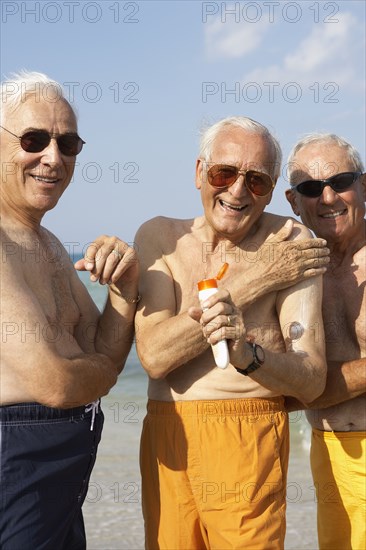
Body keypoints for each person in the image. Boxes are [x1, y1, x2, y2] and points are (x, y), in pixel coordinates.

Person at [134, 116, 329, 549]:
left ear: (274, 187)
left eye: (256, 181)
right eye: (224, 173)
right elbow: (155, 357)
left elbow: (312, 378)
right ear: (199, 172)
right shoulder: (160, 237)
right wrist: (257, 280)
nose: (238, 191)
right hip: (167, 434)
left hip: (247, 434)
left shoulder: (291, 239)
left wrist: (248, 356)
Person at [0, 71, 139, 550]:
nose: (53, 158)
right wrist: (101, 372)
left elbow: (103, 346)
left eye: (69, 143)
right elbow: (54, 383)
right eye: (34, 140)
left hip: (60, 471)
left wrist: (124, 287)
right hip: (15, 462)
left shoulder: (50, 244)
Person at [285, 133, 366, 550]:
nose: (328, 197)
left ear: (364, 185)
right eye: (311, 188)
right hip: (326, 453)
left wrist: (309, 389)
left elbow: (299, 387)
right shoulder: (292, 268)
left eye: (342, 181)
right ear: (292, 201)